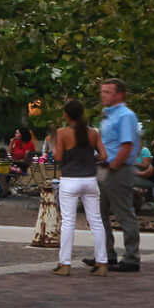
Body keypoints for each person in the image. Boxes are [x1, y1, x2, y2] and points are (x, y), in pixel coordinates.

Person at [95, 79, 146, 273]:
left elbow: (127, 145)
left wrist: (114, 165)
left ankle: (132, 257)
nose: (103, 95)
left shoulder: (126, 116)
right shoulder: (108, 116)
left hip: (118, 169)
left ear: (119, 95)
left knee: (124, 212)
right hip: (105, 167)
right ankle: (106, 254)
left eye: (108, 92)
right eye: (102, 92)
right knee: (99, 214)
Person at [49, 101, 105, 274]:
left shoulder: (62, 133)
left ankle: (65, 264)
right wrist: (89, 160)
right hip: (90, 180)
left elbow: (58, 157)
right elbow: (104, 155)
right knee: (96, 221)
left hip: (70, 180)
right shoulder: (93, 133)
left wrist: (53, 145)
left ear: (66, 115)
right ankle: (102, 263)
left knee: (68, 222)